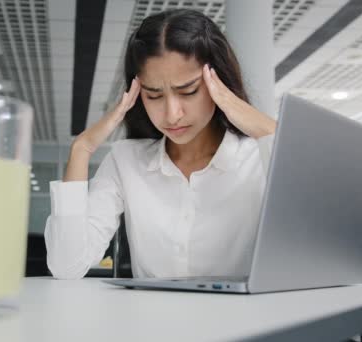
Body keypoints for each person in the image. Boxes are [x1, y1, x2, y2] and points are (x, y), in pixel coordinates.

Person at [45, 9, 276, 279]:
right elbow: (67, 266)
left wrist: (266, 129)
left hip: (246, 321)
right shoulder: (126, 160)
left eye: (188, 91)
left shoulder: (258, 158)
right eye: (153, 95)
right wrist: (81, 148)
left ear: (219, 83)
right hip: (150, 321)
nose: (171, 114)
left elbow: (306, 246)